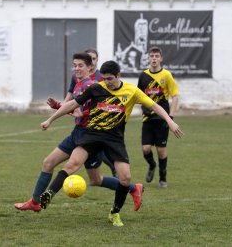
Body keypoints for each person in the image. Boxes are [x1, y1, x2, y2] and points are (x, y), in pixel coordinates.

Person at [38, 60, 184, 227]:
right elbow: (72, 104)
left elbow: (155, 106)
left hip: (114, 139)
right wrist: (50, 119)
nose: (106, 82)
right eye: (104, 79)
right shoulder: (96, 88)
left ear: (118, 76)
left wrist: (170, 121)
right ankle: (48, 194)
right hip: (92, 134)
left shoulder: (131, 91)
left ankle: (114, 213)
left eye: (109, 79)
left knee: (125, 178)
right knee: (73, 163)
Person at [14, 53, 143, 213]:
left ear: (90, 67)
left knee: (93, 178)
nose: (76, 68)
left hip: (90, 135)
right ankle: (35, 201)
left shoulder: (92, 86)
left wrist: (80, 113)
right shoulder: (78, 83)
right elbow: (75, 106)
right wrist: (59, 108)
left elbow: (97, 109)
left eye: (80, 65)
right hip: (77, 133)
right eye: (74, 65)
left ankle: (131, 188)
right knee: (49, 163)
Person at [52, 48, 117, 178]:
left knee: (78, 165)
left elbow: (105, 104)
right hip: (80, 128)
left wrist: (84, 113)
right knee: (95, 179)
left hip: (95, 128)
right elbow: (72, 99)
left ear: (95, 61)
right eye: (75, 65)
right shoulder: (77, 79)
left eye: (93, 59)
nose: (91, 61)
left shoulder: (101, 78)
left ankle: (116, 167)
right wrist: (60, 106)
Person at [137, 46, 179, 188]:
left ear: (161, 58)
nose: (154, 59)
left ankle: (163, 177)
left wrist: (170, 116)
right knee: (146, 149)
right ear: (148, 58)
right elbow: (138, 96)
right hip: (147, 119)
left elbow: (175, 96)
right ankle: (152, 165)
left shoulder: (166, 75)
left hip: (162, 119)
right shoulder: (143, 76)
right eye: (151, 56)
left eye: (156, 56)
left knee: (161, 150)